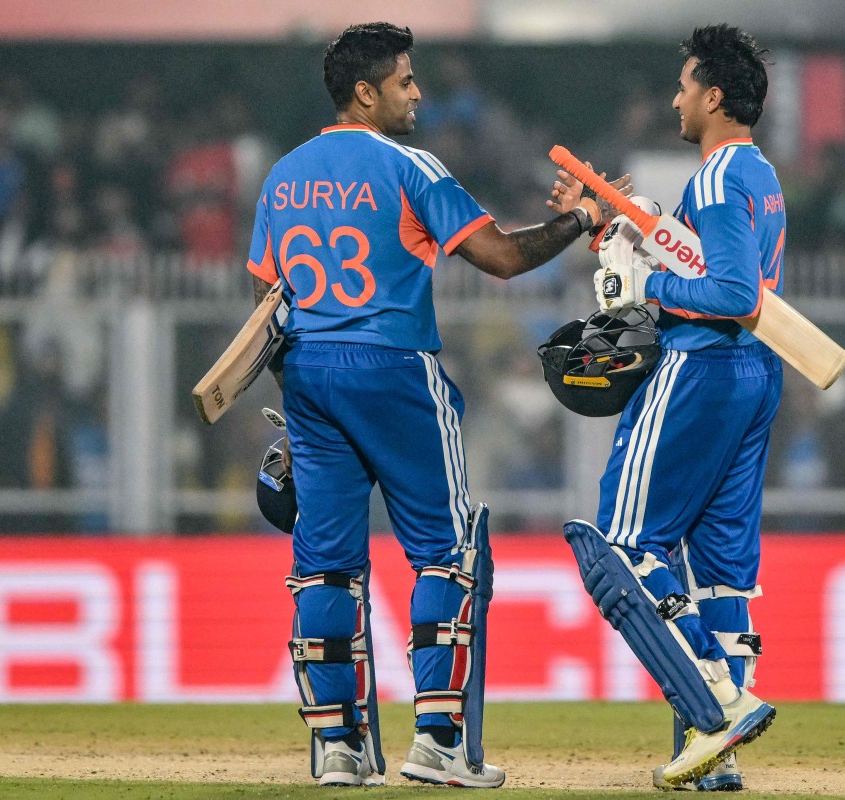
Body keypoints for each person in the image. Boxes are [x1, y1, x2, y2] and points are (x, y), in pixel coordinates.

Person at [243, 22, 623, 788]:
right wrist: (583, 218)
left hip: (308, 373)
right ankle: (437, 742)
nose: (419, 93)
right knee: (444, 553)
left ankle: (336, 750)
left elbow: (266, 296)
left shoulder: (283, 176)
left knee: (324, 570)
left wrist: (300, 393)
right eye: (406, 81)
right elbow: (504, 259)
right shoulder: (410, 166)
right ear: (366, 91)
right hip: (395, 369)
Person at [557, 24, 783, 791]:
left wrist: (644, 289)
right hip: (754, 374)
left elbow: (728, 292)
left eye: (685, 85)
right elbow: (722, 272)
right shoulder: (760, 175)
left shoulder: (717, 177)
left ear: (715, 96)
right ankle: (717, 760)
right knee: (722, 572)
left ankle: (718, 702)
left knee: (622, 543)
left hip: (704, 367)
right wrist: (620, 242)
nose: (675, 98)